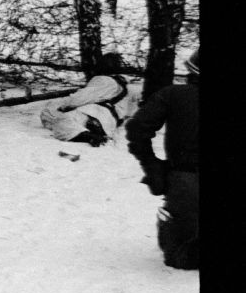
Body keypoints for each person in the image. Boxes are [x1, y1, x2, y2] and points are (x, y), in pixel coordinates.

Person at [126, 49, 199, 271]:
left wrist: (151, 165)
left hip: (185, 181)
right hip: (186, 181)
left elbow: (137, 128)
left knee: (181, 256)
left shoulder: (173, 95)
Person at [40, 52, 133, 145]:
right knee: (51, 116)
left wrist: (64, 106)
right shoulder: (124, 85)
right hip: (110, 122)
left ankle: (89, 136)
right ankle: (90, 130)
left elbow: (79, 98)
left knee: (62, 121)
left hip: (96, 113)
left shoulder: (104, 80)